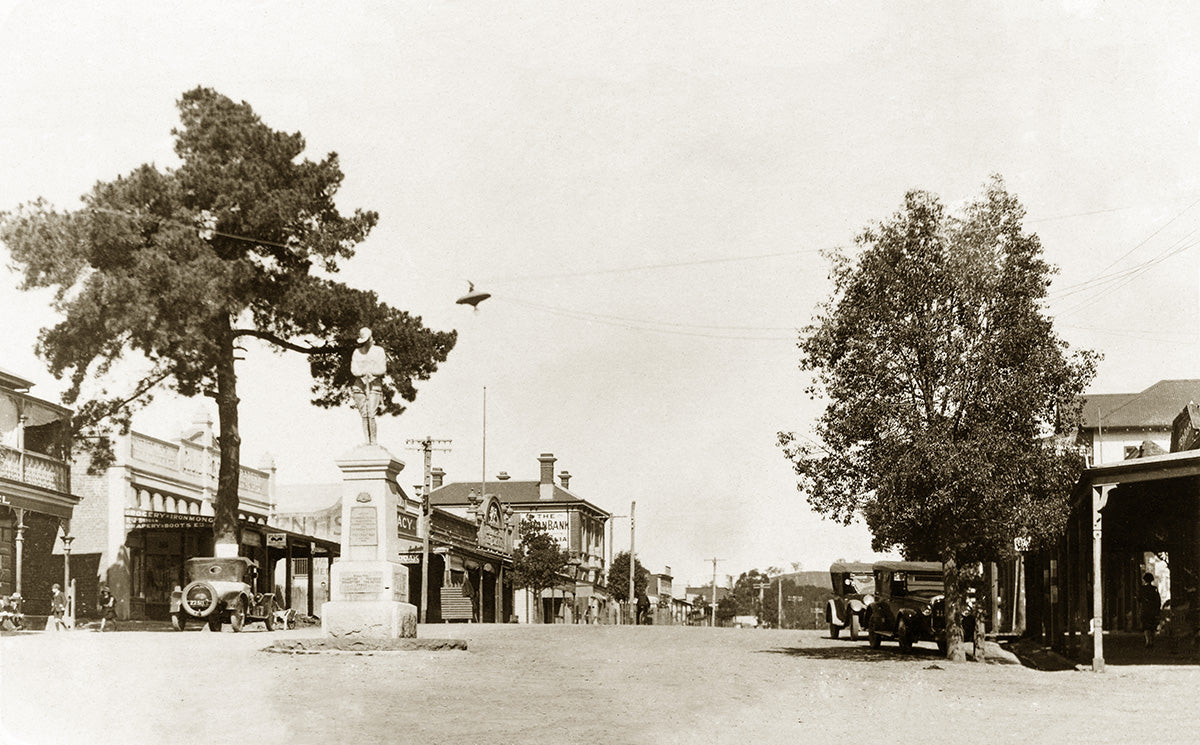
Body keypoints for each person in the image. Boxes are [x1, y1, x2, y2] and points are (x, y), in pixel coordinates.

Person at [350, 327, 387, 445]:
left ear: (371, 339)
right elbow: (354, 370)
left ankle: (374, 441)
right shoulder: (357, 352)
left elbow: (382, 369)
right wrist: (363, 373)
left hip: (374, 385)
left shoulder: (379, 351)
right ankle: (367, 440)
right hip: (359, 385)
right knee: (364, 414)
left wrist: (369, 372)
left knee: (371, 413)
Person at [1139, 572, 1162, 649]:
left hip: (1145, 610)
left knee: (1146, 627)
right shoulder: (1154, 589)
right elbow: (1158, 600)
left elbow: (1139, 599)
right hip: (1153, 610)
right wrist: (1158, 609)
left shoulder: (1142, 589)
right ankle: (1151, 641)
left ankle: (1147, 641)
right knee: (1152, 626)